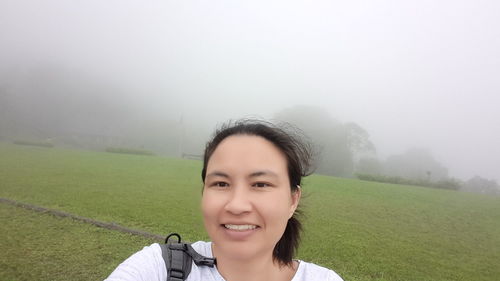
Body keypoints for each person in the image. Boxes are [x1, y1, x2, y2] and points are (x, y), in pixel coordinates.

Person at [105, 119, 344, 281]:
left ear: (293, 200)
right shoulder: (158, 267)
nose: (237, 205)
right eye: (221, 184)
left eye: (261, 184)